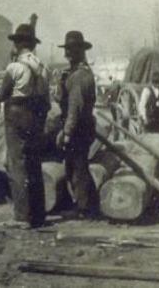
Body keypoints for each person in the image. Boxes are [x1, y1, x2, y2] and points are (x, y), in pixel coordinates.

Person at [0, 23, 50, 229]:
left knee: (17, 164)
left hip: (17, 115)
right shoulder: (43, 66)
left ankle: (21, 216)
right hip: (36, 117)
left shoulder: (15, 67)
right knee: (35, 163)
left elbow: (1, 95)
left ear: (17, 45)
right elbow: (45, 98)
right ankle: (38, 214)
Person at [56, 31, 99, 219]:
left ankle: (84, 208)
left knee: (77, 167)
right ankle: (88, 204)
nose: (69, 53)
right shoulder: (77, 73)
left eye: (73, 50)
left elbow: (74, 107)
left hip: (79, 127)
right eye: (68, 50)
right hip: (83, 126)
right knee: (77, 165)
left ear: (80, 52)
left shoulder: (79, 77)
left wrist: (66, 132)